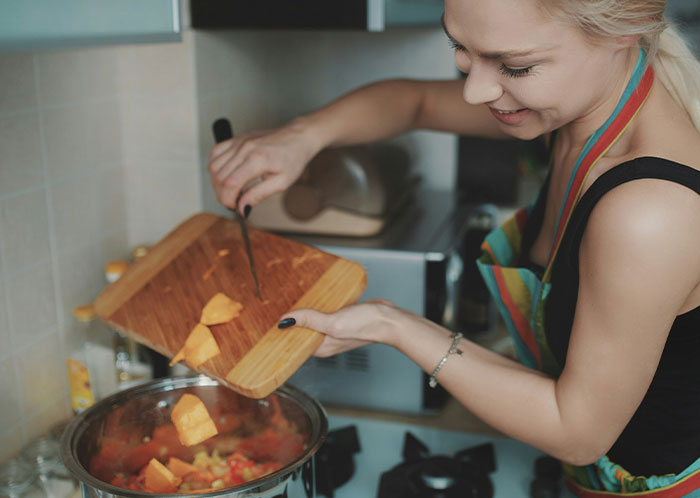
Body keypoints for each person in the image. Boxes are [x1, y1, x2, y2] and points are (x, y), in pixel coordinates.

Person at [208, 0, 700, 495]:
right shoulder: (584, 108)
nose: (475, 90)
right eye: (461, 51)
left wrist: (390, 323)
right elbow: (413, 102)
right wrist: (301, 138)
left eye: (515, 66)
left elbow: (577, 434)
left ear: (623, 33)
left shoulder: (650, 211)